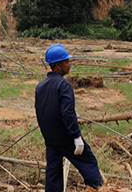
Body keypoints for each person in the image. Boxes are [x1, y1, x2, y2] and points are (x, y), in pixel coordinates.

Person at [35, 43, 103, 191]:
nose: (69, 65)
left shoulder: (40, 86)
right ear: (58, 65)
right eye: (66, 62)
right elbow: (67, 113)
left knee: (53, 171)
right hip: (65, 137)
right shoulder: (64, 84)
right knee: (88, 161)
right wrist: (76, 136)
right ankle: (98, 189)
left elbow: (39, 111)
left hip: (50, 138)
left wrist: (47, 135)